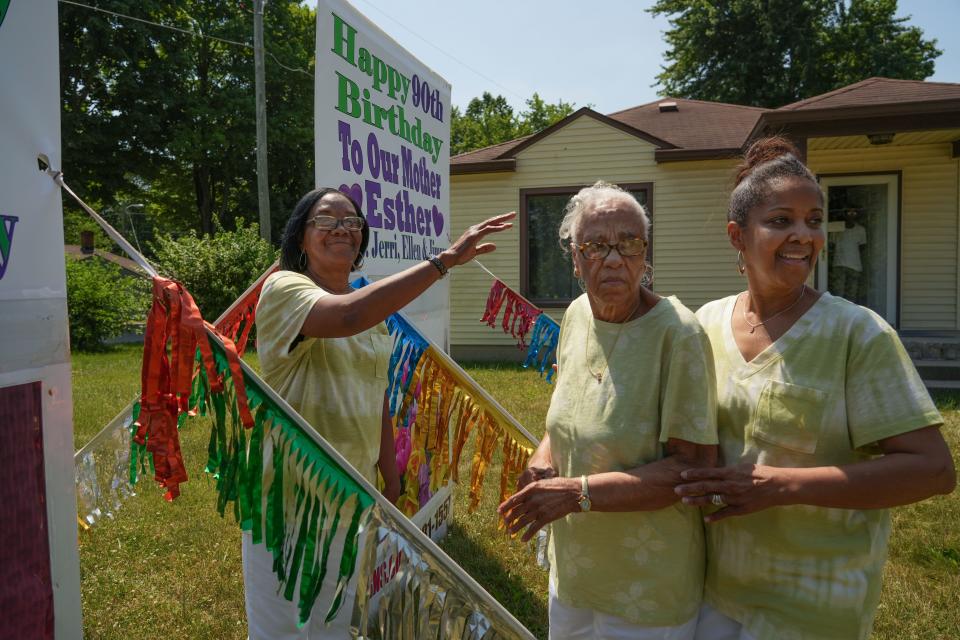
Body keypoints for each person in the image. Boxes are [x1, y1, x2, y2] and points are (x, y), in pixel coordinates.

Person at [676, 137, 956, 640]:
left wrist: (779, 486)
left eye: (814, 219)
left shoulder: (857, 334)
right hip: (715, 592)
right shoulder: (705, 324)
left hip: (814, 605)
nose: (804, 234)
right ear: (737, 236)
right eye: (781, 220)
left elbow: (932, 470)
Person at [246, 186, 513, 639]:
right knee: (283, 630)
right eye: (326, 220)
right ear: (301, 237)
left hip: (351, 498)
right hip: (290, 500)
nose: (341, 229)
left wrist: (390, 484)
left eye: (351, 221)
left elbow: (379, 397)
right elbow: (345, 317)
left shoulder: (372, 313)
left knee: (333, 623)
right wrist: (442, 261)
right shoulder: (284, 288)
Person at [498, 181, 718, 640]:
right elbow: (568, 414)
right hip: (576, 573)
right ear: (575, 259)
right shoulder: (577, 315)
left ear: (644, 254)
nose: (614, 259)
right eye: (597, 246)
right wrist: (543, 458)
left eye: (629, 243)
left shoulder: (679, 334)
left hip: (648, 588)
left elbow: (692, 469)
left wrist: (576, 493)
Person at [828, 204, 867, 303]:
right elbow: (831, 246)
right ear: (844, 214)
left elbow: (862, 248)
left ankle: (849, 318)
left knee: (852, 296)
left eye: (854, 212)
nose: (851, 214)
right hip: (839, 265)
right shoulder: (837, 228)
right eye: (849, 212)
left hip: (855, 266)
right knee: (838, 294)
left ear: (857, 214)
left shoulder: (861, 230)